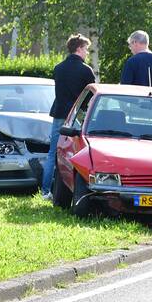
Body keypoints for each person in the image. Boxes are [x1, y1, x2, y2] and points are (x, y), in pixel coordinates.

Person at [41, 34, 96, 199]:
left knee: (52, 153)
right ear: (79, 48)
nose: (87, 52)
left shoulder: (59, 68)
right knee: (76, 153)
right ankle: (73, 190)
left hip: (59, 114)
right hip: (77, 118)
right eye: (86, 48)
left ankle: (45, 191)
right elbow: (91, 97)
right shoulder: (86, 70)